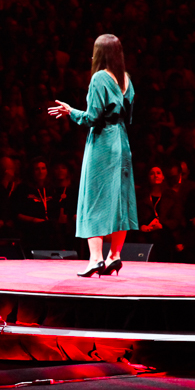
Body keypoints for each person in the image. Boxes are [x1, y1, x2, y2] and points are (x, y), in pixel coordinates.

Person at [48, 34, 138, 276]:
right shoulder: (126, 80)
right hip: (122, 141)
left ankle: (95, 259)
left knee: (94, 197)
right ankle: (114, 256)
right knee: (120, 199)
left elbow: (92, 118)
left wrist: (70, 111)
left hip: (103, 143)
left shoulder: (99, 78)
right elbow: (127, 117)